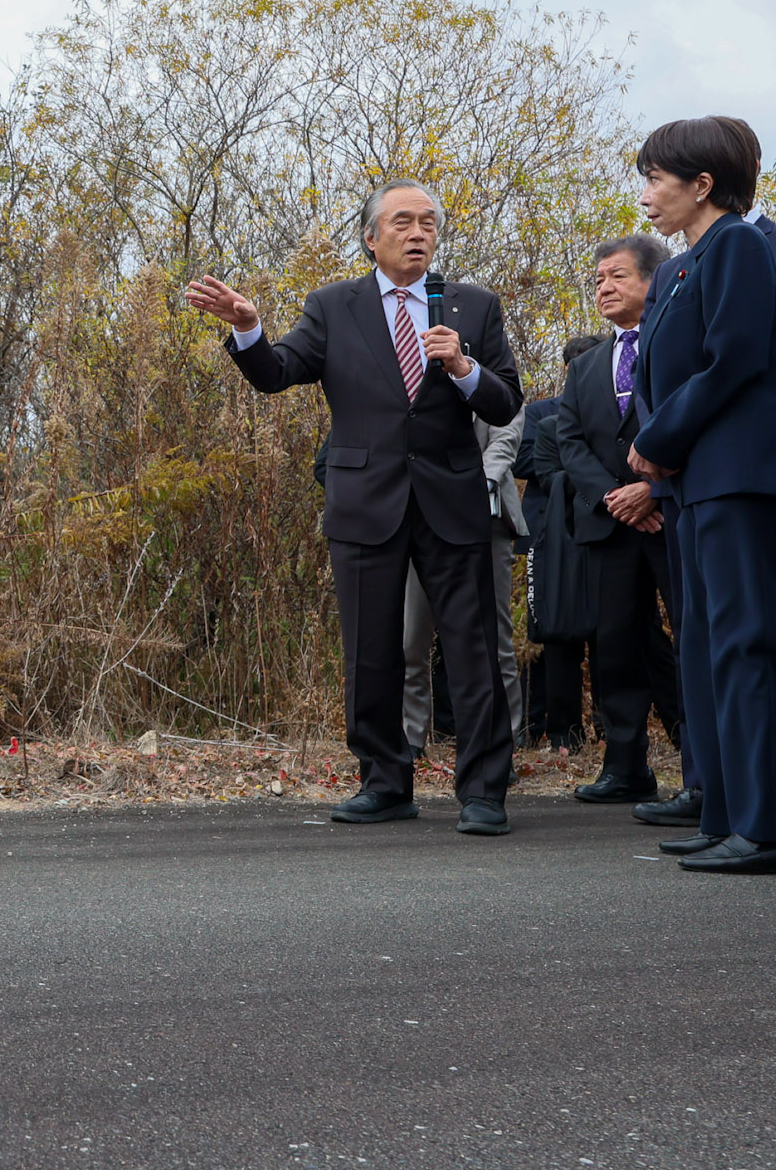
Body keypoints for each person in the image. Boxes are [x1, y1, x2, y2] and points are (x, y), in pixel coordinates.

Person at [187, 180, 523, 835]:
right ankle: (384, 779)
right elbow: (278, 373)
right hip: (366, 500)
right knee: (372, 650)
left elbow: (507, 401)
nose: (418, 233)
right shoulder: (333, 306)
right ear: (372, 237)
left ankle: (484, 791)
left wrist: (462, 368)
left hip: (451, 499)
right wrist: (248, 327)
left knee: (473, 647)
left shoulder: (472, 307)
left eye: (428, 222)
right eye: (403, 222)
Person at [626, 117, 776, 875]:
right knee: (708, 649)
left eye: (655, 179)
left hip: (743, 475)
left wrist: (658, 440)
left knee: (751, 646)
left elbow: (732, 359)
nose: (645, 195)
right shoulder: (681, 266)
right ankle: (728, 812)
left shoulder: (737, 242)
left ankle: (772, 829)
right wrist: (662, 444)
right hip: (699, 483)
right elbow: (660, 374)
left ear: (703, 184)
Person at [557, 234, 685, 804]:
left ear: (653, 281)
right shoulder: (585, 365)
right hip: (610, 527)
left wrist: (652, 490)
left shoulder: (679, 345)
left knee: (694, 637)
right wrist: (615, 495)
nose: (605, 288)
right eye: (599, 279)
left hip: (673, 517)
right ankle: (626, 766)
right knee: (616, 647)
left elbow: (694, 420)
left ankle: (706, 768)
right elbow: (570, 439)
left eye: (618, 277)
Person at [400, 410, 525, 754]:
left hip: (486, 518)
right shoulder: (415, 378)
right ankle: (411, 738)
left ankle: (501, 742)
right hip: (421, 518)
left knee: (495, 642)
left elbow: (505, 440)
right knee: (411, 639)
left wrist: (469, 487)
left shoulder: (495, 374)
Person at [514, 339, 599, 747]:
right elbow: (525, 461)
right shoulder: (540, 413)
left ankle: (602, 727)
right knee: (548, 632)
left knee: (606, 632)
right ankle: (542, 727)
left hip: (599, 528)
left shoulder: (610, 410)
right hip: (546, 535)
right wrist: (579, 463)